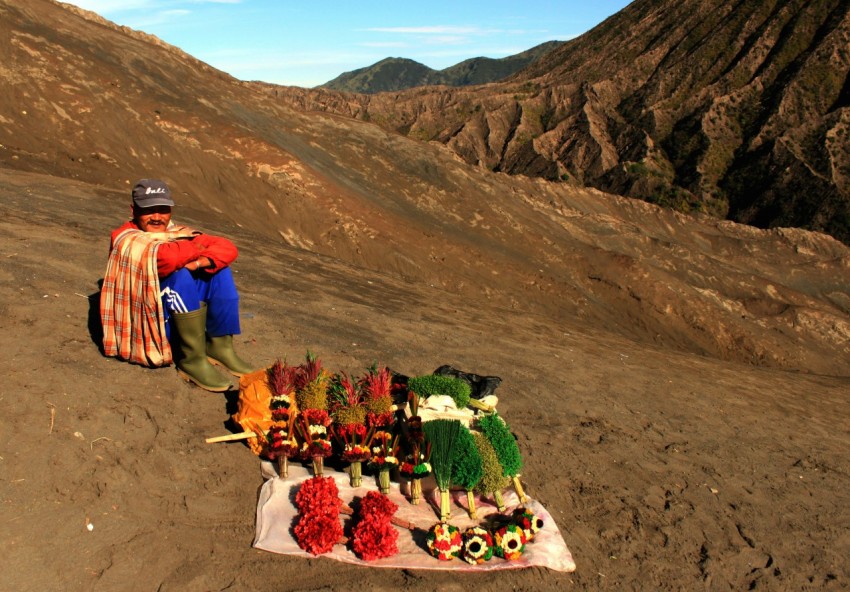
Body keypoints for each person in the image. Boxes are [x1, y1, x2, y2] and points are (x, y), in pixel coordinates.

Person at [100, 178, 254, 391]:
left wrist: (198, 263)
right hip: (152, 321)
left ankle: (220, 347)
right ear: (133, 211)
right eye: (148, 210)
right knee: (179, 276)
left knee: (220, 271)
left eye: (163, 210)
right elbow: (167, 260)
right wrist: (196, 246)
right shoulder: (126, 238)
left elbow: (227, 248)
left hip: (174, 312)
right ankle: (192, 359)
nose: (157, 217)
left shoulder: (175, 232)